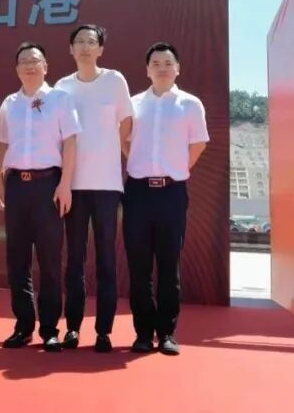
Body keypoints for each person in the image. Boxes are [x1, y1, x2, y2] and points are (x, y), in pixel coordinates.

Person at [124, 42, 209, 356]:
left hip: (172, 193)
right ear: (147, 70)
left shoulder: (190, 104)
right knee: (139, 266)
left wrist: (177, 170)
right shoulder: (133, 104)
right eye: (156, 63)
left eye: (167, 63)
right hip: (138, 192)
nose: (162, 68)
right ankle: (143, 333)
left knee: (169, 264)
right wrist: (139, 164)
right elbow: (124, 142)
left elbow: (198, 144)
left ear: (178, 68)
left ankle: (168, 333)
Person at [0, 42, 80, 352]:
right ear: (17, 69)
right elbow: (2, 145)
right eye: (24, 61)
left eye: (35, 60)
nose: (30, 66)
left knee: (49, 259)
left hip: (48, 185)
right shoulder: (9, 103)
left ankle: (49, 328)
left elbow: (71, 143)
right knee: (17, 259)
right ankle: (23, 325)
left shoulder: (60, 99)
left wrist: (65, 184)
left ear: (45, 66)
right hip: (17, 185)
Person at [53, 24, 133, 352]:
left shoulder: (114, 81)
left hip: (107, 185)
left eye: (91, 42)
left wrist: (113, 148)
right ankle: (72, 327)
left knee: (106, 261)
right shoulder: (62, 87)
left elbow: (127, 122)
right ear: (70, 49)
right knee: (74, 260)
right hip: (73, 185)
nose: (85, 47)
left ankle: (104, 331)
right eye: (79, 42)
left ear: (101, 49)